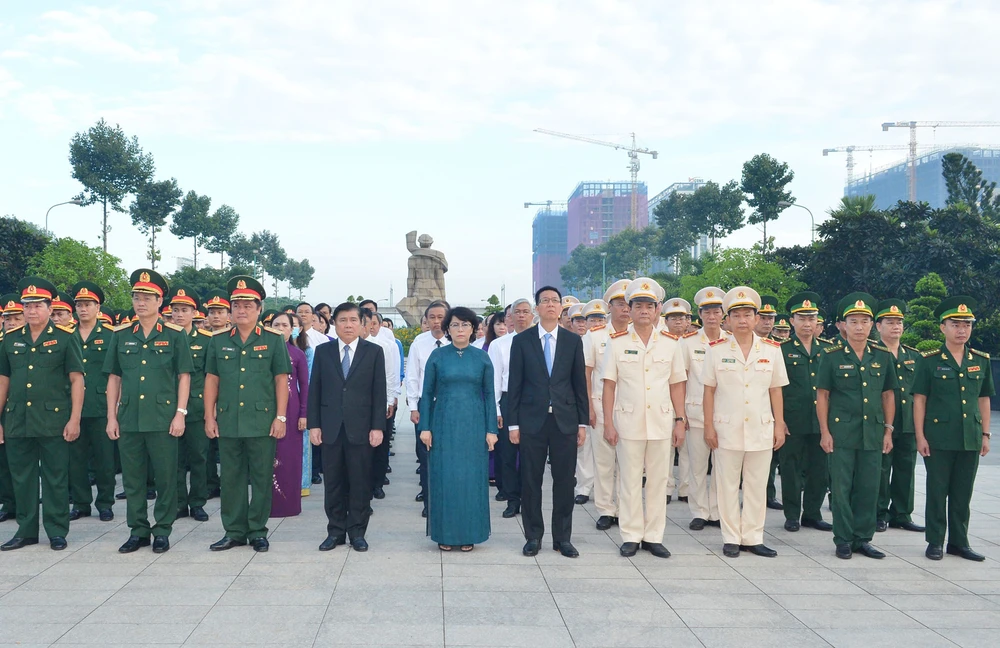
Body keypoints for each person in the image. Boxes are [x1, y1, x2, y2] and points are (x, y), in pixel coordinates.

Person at [104, 269, 192, 554]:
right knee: (132, 478)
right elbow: (114, 378)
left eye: (146, 297)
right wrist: (111, 417)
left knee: (166, 477)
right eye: (136, 297)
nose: (140, 302)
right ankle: (138, 530)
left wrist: (180, 413)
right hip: (129, 417)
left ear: (159, 301)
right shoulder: (120, 335)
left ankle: (163, 530)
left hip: (162, 417)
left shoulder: (175, 335)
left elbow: (184, 376)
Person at [600, 278, 686, 559]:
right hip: (628, 422)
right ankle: (631, 535)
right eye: (638, 306)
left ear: (658, 309)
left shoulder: (672, 344)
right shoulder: (616, 342)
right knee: (629, 481)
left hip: (661, 422)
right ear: (630, 309)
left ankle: (654, 536)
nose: (644, 311)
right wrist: (609, 423)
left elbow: (677, 384)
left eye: (650, 306)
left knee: (659, 481)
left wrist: (680, 420)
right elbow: (609, 385)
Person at [204, 276, 290, 552]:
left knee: (262, 477)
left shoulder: (273, 340)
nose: (241, 310)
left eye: (247, 305)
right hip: (228, 421)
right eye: (236, 305)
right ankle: (234, 531)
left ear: (259, 309)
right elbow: (211, 380)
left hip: (262, 421)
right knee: (230, 478)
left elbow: (281, 380)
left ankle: (257, 530)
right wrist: (209, 416)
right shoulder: (217, 341)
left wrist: (281, 417)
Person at [703, 287, 788, 558]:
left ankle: (753, 536)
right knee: (726, 485)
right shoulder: (716, 350)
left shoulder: (772, 349)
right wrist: (708, 426)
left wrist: (779, 424)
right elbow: (709, 390)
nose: (742, 320)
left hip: (761, 427)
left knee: (756, 485)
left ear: (755, 318)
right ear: (727, 320)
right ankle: (731, 537)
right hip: (726, 427)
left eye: (747, 315)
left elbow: (776, 389)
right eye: (736, 315)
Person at [0, 277, 84, 551]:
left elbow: (76, 380)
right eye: (27, 306)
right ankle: (26, 531)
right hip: (17, 420)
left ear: (50, 308)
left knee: (55, 477)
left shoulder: (65, 338)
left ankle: (57, 530)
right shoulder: (10, 340)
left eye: (38, 305)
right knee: (21, 478)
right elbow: (3, 381)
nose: (31, 311)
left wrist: (74, 419)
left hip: (54, 420)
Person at [508, 286, 588, 558]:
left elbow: (579, 385)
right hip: (532, 422)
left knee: (565, 481)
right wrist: (513, 424)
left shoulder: (572, 341)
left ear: (561, 308)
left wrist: (582, 423)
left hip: (565, 421)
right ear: (537, 309)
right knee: (531, 481)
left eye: (555, 301)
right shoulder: (522, 341)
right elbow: (514, 385)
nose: (551, 305)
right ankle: (533, 536)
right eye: (545, 301)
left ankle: (562, 538)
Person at [914, 296, 994, 561]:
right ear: (942, 327)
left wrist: (985, 434)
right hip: (938, 437)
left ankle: (959, 542)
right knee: (938, 491)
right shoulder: (928, 360)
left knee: (962, 493)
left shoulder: (981, 360)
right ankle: (935, 541)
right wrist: (920, 436)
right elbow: (920, 400)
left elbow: (983, 399)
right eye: (955, 324)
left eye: (967, 325)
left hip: (969, 436)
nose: (962, 330)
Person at [817, 293, 896, 560]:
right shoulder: (831, 355)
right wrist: (825, 432)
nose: (859, 326)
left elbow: (888, 395)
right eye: (853, 321)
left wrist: (888, 430)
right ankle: (843, 538)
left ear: (872, 325)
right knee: (840, 487)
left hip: (872, 433)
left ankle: (863, 538)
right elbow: (823, 395)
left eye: (864, 321)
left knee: (869, 487)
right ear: (843, 325)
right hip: (841, 433)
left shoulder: (883, 356)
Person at [417, 307, 497, 551]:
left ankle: (470, 533)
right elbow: (427, 393)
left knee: (471, 479)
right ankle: (445, 533)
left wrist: (491, 429)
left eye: (465, 325)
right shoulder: (438, 357)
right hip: (444, 424)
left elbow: (490, 395)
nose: (460, 329)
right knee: (445, 478)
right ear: (447, 329)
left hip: (474, 425)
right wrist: (425, 427)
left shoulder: (482, 357)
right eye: (454, 325)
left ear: (473, 329)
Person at [309, 302, 386, 552]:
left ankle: (357, 532)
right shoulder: (323, 351)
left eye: (353, 320)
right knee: (333, 482)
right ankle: (335, 531)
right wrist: (314, 425)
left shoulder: (373, 352)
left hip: (361, 428)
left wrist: (378, 427)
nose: (348, 325)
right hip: (331, 427)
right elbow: (315, 390)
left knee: (359, 481)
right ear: (335, 323)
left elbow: (379, 393)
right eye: (343, 320)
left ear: (362, 324)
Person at [778, 292, 833, 532]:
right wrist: (778, 420)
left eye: (812, 318)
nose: (807, 323)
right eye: (802, 318)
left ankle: (812, 513)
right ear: (792, 321)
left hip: (822, 421)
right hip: (792, 419)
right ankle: (792, 514)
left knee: (819, 469)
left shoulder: (829, 350)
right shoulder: (780, 349)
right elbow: (775, 387)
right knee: (790, 468)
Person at [874, 299, 924, 533]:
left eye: (899, 323)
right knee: (882, 469)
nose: (896, 327)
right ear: (878, 326)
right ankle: (879, 512)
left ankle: (902, 513)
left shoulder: (914, 356)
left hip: (908, 422)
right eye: (890, 322)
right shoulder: (873, 354)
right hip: (883, 421)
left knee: (906, 468)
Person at [583, 280, 630, 531]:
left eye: (627, 304)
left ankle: (625, 508)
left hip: (632, 407)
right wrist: (588, 407)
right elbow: (586, 373)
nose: (624, 309)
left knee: (629, 463)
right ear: (608, 307)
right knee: (604, 461)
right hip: (601, 406)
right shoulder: (595, 336)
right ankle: (605, 509)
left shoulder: (639, 335)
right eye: (619, 304)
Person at [67, 281, 116, 522]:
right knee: (76, 459)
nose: (83, 309)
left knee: (104, 458)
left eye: (88, 304)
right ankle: (81, 503)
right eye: (79, 305)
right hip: (71, 407)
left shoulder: (110, 335)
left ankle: (105, 503)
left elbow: (117, 373)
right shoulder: (67, 335)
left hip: (101, 404)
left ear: (98, 307)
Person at [681, 287, 726, 531]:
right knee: (697, 466)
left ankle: (717, 511)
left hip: (725, 414)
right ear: (700, 314)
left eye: (716, 311)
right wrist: (681, 414)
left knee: (721, 467)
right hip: (696, 412)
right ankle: (699, 511)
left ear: (723, 314)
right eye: (706, 312)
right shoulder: (687, 343)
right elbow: (681, 378)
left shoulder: (730, 341)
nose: (711, 316)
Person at [167, 285, 212, 523]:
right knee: (174, 459)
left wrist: (210, 409)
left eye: (184, 310)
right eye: (175, 310)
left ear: (195, 313)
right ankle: (178, 503)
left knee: (199, 457)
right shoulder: (165, 337)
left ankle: (197, 503)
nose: (179, 314)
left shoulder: (205, 340)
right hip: (167, 407)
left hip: (196, 407)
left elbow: (211, 376)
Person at [488, 298, 532, 518]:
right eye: (518, 312)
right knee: (507, 453)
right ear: (510, 318)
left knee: (531, 454)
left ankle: (529, 499)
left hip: (533, 402)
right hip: (506, 401)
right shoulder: (499, 345)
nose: (522, 316)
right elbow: (494, 379)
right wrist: (496, 409)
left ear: (533, 315)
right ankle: (512, 499)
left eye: (526, 312)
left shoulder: (539, 341)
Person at [406, 301, 450, 516]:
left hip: (452, 406)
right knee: (426, 455)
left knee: (449, 455)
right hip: (427, 405)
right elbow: (413, 376)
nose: (436, 321)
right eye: (431, 317)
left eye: (440, 316)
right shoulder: (419, 343)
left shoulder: (457, 341)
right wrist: (414, 407)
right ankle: (429, 502)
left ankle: (448, 501)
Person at [269, 312, 309, 517]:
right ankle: (268, 504)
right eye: (276, 324)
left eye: (285, 325)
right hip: (267, 411)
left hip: (292, 412)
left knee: (290, 458)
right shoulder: (264, 352)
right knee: (268, 458)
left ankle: (290, 504)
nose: (281, 328)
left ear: (292, 329)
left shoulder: (297, 354)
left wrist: (304, 414)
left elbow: (305, 385)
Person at [573, 299, 608, 507]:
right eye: (592, 319)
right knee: (584, 448)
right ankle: (584, 487)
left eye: (600, 318)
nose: (596, 323)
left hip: (606, 401)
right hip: (584, 400)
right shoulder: (575, 341)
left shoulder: (610, 338)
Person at [662, 297, 693, 505]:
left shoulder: (695, 342)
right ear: (666, 321)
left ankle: (685, 489)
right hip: (664, 402)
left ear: (688, 320)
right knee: (665, 451)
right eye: (673, 318)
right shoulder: (660, 342)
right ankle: (666, 488)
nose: (678, 322)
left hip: (690, 403)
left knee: (687, 451)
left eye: (681, 318)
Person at [202, 289, 231, 500]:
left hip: (230, 401)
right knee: (207, 448)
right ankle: (211, 482)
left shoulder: (232, 339)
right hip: (203, 400)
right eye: (212, 312)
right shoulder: (202, 339)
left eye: (220, 311)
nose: (216, 316)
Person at [0, 295, 22, 524]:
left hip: (17, 407)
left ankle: (23, 502)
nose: (12, 323)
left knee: (17, 461)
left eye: (17, 319)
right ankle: (9, 503)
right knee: (3, 462)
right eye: (8, 319)